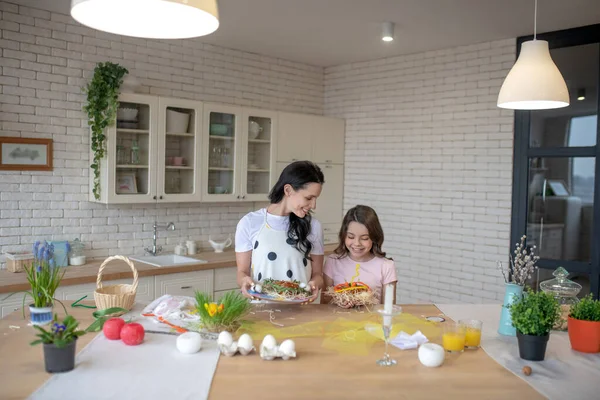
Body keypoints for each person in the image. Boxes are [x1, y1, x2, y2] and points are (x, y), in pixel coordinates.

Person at [235, 161, 325, 302]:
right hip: (262, 310)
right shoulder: (250, 223)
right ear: (288, 190)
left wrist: (315, 284)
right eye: (308, 198)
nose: (313, 205)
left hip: (300, 311)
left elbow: (318, 274)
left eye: (316, 198)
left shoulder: (313, 226)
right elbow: (242, 272)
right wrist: (244, 281)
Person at [323, 205, 397, 304]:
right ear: (344, 235)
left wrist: (368, 302)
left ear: (374, 237)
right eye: (351, 236)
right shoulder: (332, 261)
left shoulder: (386, 266)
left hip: (372, 319)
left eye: (365, 238)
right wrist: (339, 302)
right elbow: (324, 306)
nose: (357, 243)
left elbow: (389, 309)